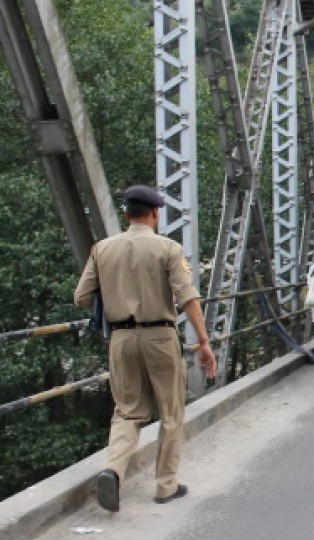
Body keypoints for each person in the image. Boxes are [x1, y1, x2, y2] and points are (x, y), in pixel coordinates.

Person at [73, 185, 216, 512]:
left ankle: (113, 470)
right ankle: (166, 485)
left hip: (121, 340)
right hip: (160, 337)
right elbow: (188, 298)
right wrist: (204, 343)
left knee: (127, 410)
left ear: (126, 214)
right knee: (170, 410)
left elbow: (81, 297)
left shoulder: (102, 249)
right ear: (155, 214)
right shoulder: (168, 249)